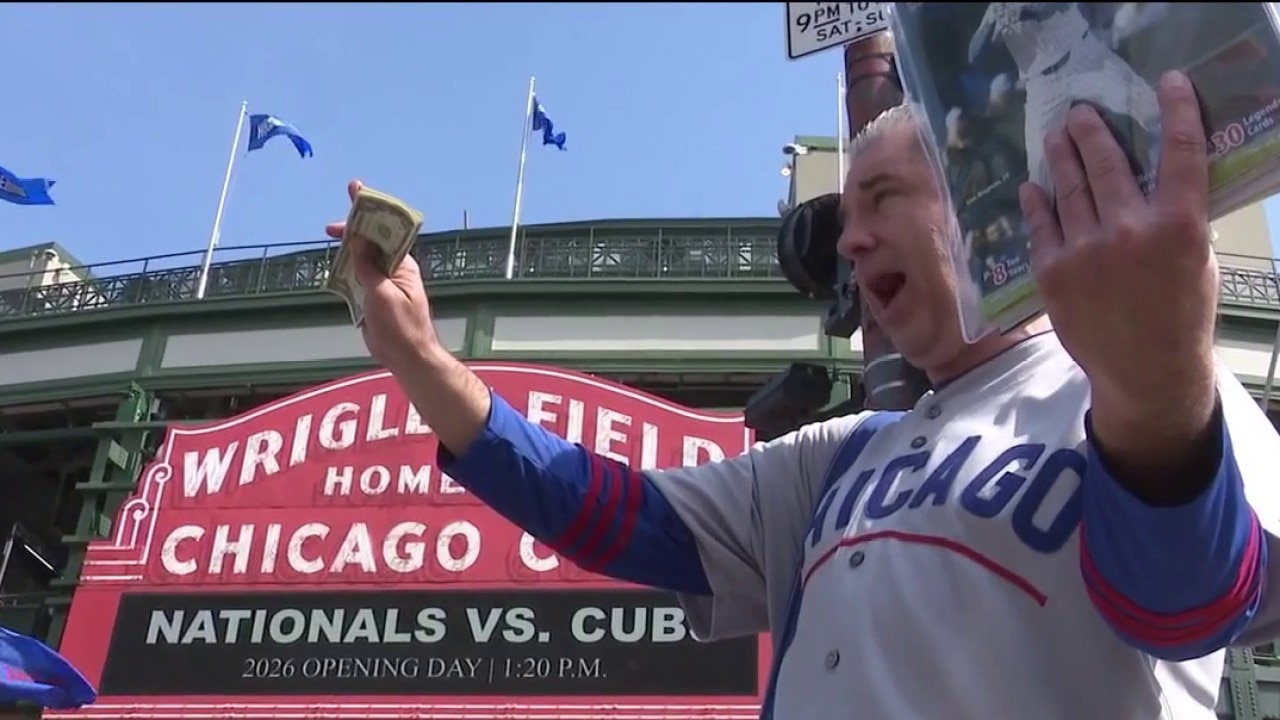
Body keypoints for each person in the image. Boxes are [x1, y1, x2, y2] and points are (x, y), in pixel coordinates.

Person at [326, 70, 1280, 719]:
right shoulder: (843, 454)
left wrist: (1157, 405)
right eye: (845, 214)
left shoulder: (1156, 378)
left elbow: (1190, 610)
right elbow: (608, 509)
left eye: (883, 200)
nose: (850, 242)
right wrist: (418, 358)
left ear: (986, 201)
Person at [968, 2, 1163, 196]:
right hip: (1042, 85)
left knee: (1148, 106)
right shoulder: (996, 8)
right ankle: (1050, 221)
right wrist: (988, 28)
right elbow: (974, 56)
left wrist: (1023, 11)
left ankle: (1177, 147)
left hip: (1082, 58)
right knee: (1040, 171)